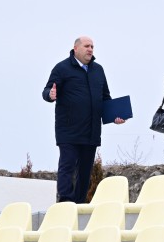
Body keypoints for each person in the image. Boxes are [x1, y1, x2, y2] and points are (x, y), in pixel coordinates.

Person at [42, 35, 124, 203]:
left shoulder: (98, 70)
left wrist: (114, 115)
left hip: (91, 130)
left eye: (92, 46)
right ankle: (65, 202)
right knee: (68, 166)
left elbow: (105, 98)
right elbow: (47, 90)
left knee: (85, 171)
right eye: (87, 46)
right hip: (68, 130)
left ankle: (79, 204)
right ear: (76, 48)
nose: (90, 49)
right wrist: (50, 95)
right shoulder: (62, 68)